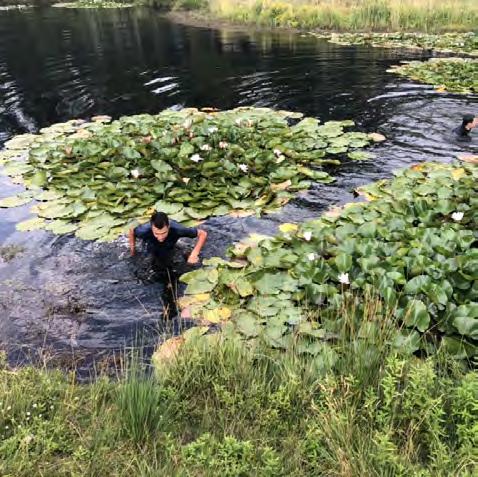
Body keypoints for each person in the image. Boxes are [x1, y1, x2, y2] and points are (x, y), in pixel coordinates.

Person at [128, 211, 208, 317]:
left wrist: (194, 254)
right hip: (151, 249)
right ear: (152, 228)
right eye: (157, 233)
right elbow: (132, 231)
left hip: (171, 248)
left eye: (163, 233)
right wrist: (133, 251)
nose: (160, 237)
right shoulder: (144, 231)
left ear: (168, 227)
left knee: (189, 265)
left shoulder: (177, 229)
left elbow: (202, 234)